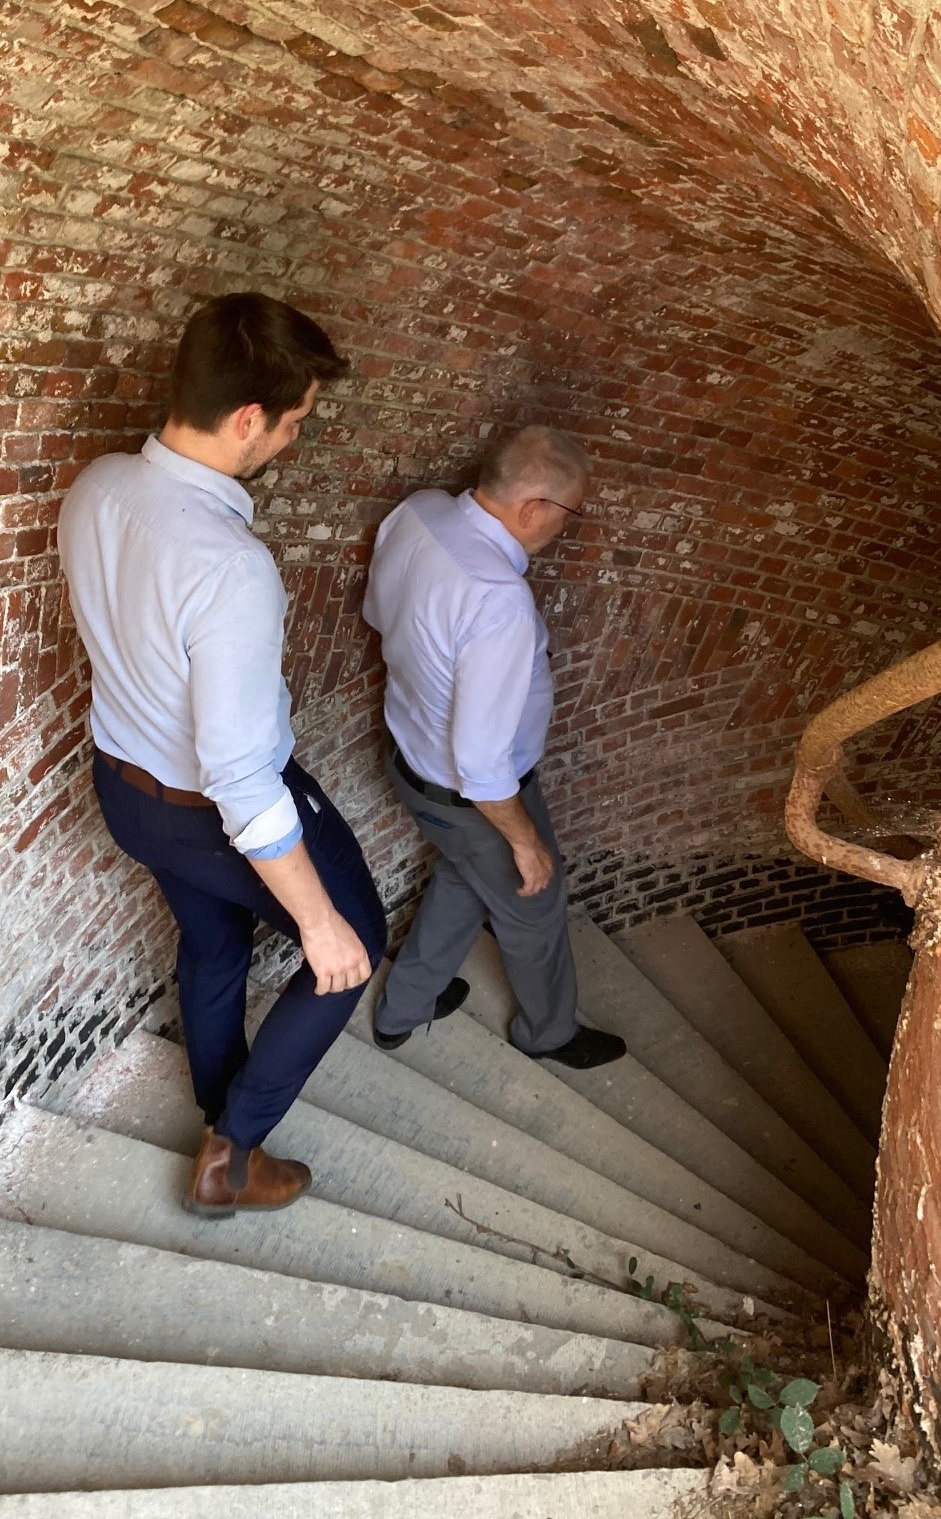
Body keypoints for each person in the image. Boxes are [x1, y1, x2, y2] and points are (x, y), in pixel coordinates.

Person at [59, 293, 387, 1217]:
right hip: (211, 810)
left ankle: (216, 1105)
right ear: (248, 418)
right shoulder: (229, 567)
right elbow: (242, 777)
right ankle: (233, 1151)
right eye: (292, 424)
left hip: (125, 793)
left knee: (212, 946)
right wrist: (321, 927)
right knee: (350, 947)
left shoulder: (97, 486)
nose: (290, 440)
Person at [363, 426, 625, 1067]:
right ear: (534, 507)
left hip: (410, 760)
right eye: (570, 513)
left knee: (462, 876)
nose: (566, 527)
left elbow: (377, 613)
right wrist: (526, 841)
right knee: (534, 908)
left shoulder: (418, 512)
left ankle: (404, 1007)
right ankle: (550, 1033)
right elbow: (482, 768)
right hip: (470, 794)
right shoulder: (498, 601)